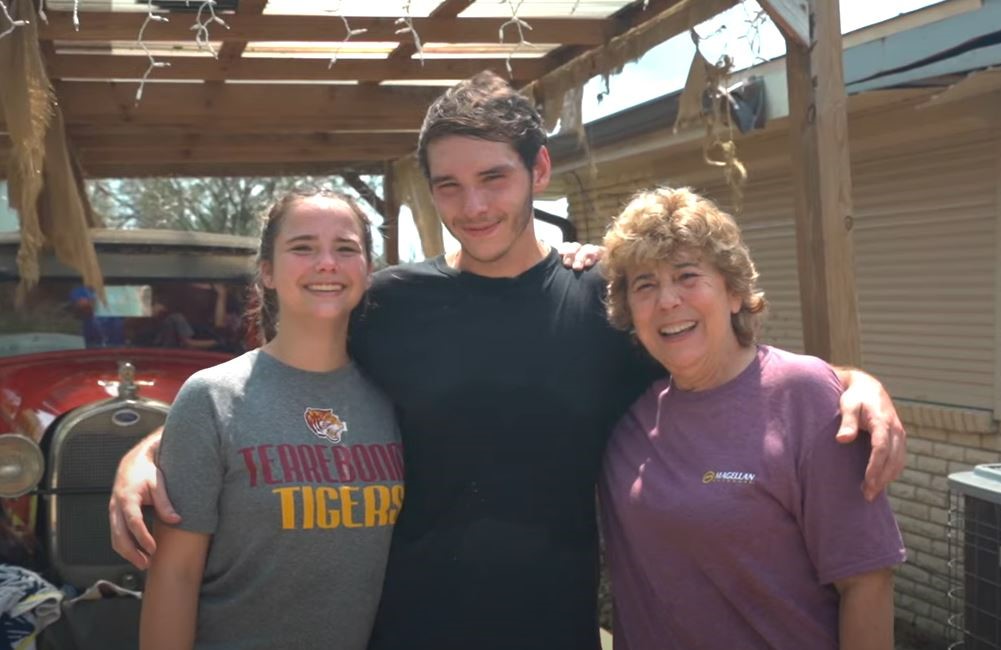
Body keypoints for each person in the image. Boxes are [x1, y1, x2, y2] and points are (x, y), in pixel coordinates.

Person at [111, 71, 906, 650]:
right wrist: (156, 446)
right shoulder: (391, 304)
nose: (474, 206)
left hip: (553, 628)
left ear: (539, 171)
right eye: (449, 187)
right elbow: (278, 378)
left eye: (493, 177)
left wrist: (850, 381)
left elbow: (730, 362)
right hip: (404, 626)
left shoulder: (605, 299)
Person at [599, 187, 905, 649]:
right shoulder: (627, 415)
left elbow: (866, 585)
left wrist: (856, 379)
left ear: (735, 292)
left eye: (687, 275)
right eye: (645, 284)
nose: (667, 300)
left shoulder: (805, 396)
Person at [139, 189, 402, 650]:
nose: (326, 263)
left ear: (367, 270)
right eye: (303, 247)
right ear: (267, 271)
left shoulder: (395, 396)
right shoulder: (211, 397)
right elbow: (176, 576)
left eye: (346, 249)